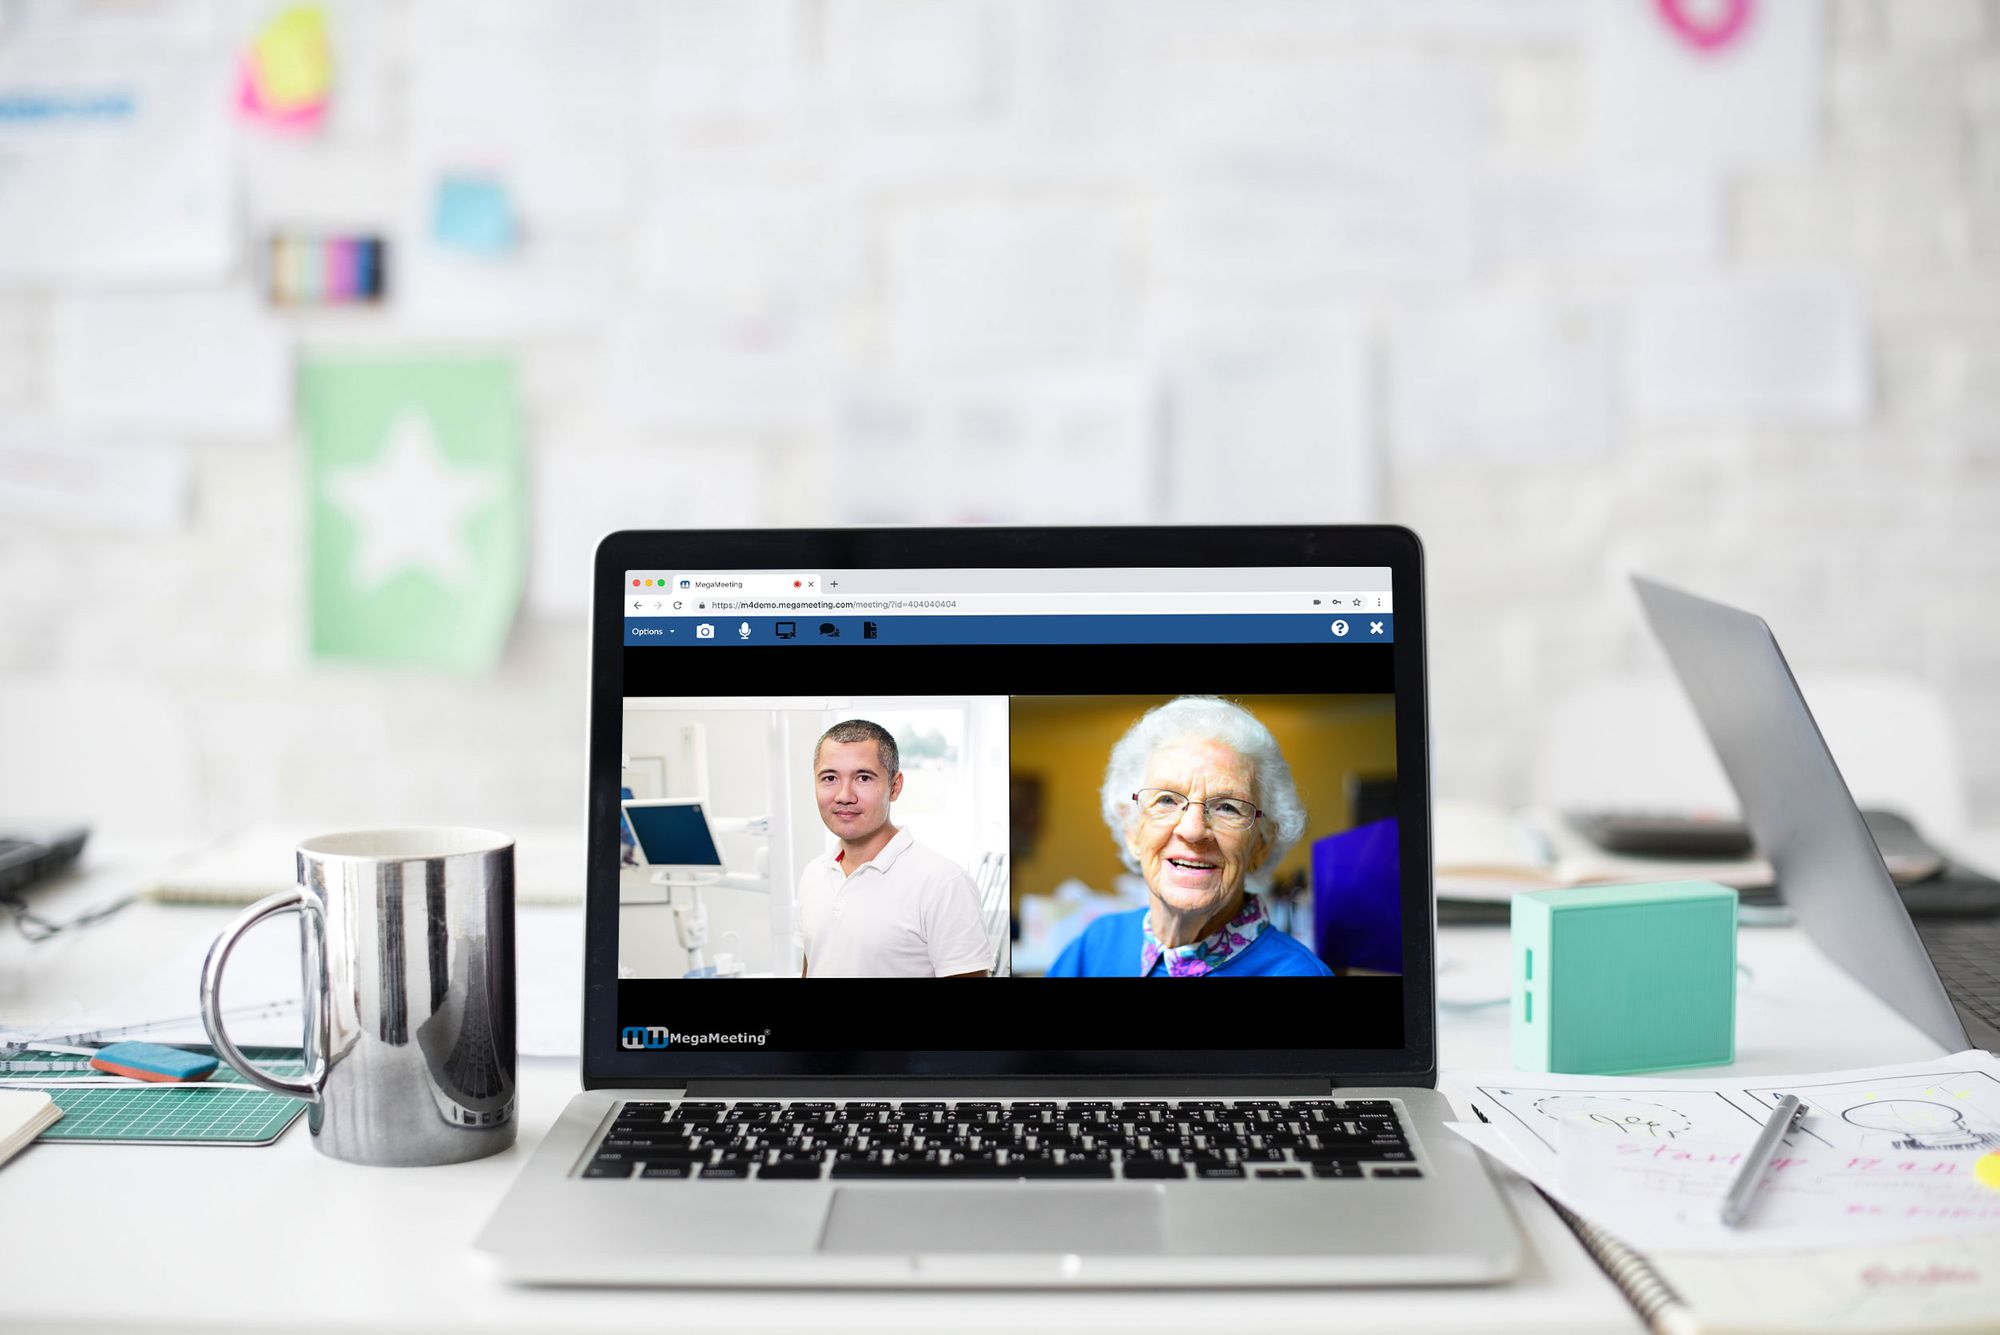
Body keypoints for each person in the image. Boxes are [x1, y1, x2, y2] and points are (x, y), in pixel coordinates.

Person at [1046, 696, 1333, 978]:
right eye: (1167, 800)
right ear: (1131, 829)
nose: (1193, 830)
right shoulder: (1098, 944)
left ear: (1262, 844)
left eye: (1227, 807)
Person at [795, 719, 991, 978]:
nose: (844, 795)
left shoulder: (944, 884)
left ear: (895, 786)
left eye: (863, 778)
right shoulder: (813, 874)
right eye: (829, 778)